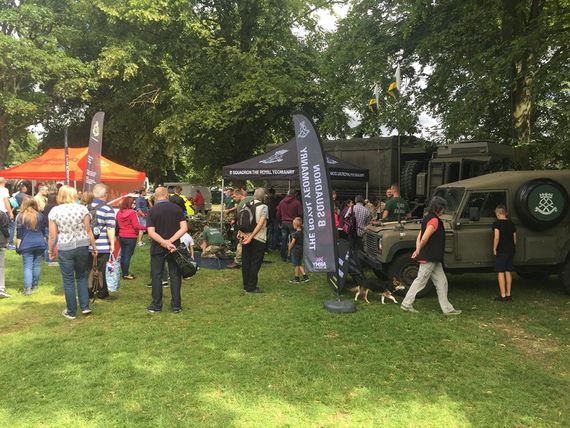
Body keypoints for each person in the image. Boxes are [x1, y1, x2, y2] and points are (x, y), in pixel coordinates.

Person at [400, 196, 461, 315]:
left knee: (442, 282)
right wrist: (418, 250)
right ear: (439, 208)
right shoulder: (434, 220)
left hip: (433, 258)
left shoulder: (427, 218)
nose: (444, 210)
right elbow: (424, 237)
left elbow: (420, 236)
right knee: (421, 281)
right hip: (429, 257)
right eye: (443, 208)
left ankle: (447, 309)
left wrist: (417, 250)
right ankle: (406, 304)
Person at [48, 185, 97, 319]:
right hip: (82, 245)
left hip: (65, 246)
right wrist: (94, 247)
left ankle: (71, 311)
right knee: (81, 276)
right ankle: (85, 306)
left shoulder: (55, 211)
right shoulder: (82, 209)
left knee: (68, 279)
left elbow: (52, 235)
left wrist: (50, 250)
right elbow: (88, 230)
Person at [146, 186, 188, 313]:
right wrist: (171, 241)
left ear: (155, 196)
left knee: (157, 275)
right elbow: (184, 228)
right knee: (175, 275)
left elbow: (151, 232)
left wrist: (164, 242)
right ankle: (176, 306)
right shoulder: (177, 209)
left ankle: (156, 305)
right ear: (167, 195)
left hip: (157, 247)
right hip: (174, 247)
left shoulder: (152, 210)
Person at [88, 184, 116, 299]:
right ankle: (102, 292)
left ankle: (89, 291)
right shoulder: (108, 209)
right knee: (101, 269)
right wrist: (112, 244)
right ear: (105, 194)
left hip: (88, 244)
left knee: (89, 268)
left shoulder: (85, 207)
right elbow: (110, 228)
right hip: (102, 244)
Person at [16, 198, 47, 296]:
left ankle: (27, 289)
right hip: (40, 243)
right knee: (36, 265)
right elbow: (43, 231)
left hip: (26, 244)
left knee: (28, 267)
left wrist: (18, 246)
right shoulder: (40, 216)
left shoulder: (20, 216)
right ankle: (35, 285)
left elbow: (19, 234)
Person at [240, 187, 268, 293]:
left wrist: (243, 234)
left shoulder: (246, 204)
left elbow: (240, 220)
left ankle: (246, 284)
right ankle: (251, 286)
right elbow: (260, 225)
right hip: (258, 238)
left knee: (246, 261)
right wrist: (251, 236)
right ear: (263, 197)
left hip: (245, 237)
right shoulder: (264, 207)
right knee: (255, 262)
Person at [116, 196, 146, 280]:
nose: (135, 204)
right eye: (133, 203)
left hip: (122, 236)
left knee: (123, 255)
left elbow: (118, 225)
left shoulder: (119, 212)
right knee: (128, 255)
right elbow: (136, 226)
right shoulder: (132, 213)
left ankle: (124, 272)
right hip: (131, 237)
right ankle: (126, 274)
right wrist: (147, 227)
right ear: (129, 203)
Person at [493, 204, 517, 302]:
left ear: (498, 213)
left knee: (500, 272)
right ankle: (508, 294)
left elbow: (497, 237)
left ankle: (502, 295)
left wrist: (494, 248)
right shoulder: (512, 224)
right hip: (510, 250)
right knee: (508, 271)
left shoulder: (497, 224)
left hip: (501, 250)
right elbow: (515, 239)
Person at [226, 189, 253, 269]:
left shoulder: (241, 204)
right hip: (254, 226)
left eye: (234, 197)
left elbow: (240, 218)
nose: (234, 199)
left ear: (239, 195)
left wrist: (239, 229)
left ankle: (237, 262)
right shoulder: (251, 198)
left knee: (240, 245)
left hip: (244, 228)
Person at [276, 189, 303, 262]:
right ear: (295, 194)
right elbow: (300, 213)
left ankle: (283, 256)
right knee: (293, 240)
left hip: (284, 223)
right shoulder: (297, 202)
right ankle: (290, 256)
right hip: (293, 224)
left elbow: (278, 214)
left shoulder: (281, 202)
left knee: (284, 240)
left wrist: (279, 222)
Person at [288, 217, 309, 283]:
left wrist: (289, 247)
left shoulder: (296, 234)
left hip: (296, 250)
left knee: (296, 264)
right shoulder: (302, 233)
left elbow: (293, 242)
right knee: (299, 263)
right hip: (301, 249)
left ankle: (296, 278)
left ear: (295, 225)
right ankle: (305, 276)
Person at [0, 209, 10, 298]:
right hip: (1, 242)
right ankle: (1, 288)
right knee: (1, 266)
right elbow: (4, 228)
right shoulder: (1, 214)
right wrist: (7, 239)